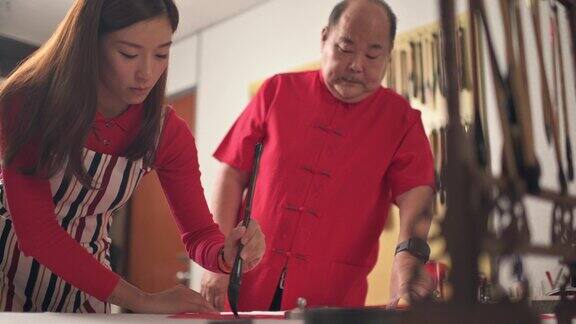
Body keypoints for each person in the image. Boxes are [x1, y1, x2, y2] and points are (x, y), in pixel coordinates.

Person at [0, 0, 265, 314]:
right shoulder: (26, 103)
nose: (147, 72)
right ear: (89, 45)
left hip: (89, 281)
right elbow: (38, 233)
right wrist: (142, 300)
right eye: (128, 54)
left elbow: (199, 234)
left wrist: (226, 254)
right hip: (8, 267)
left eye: (162, 54)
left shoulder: (165, 133)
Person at [201, 0, 435, 312]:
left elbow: (417, 194)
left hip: (332, 294)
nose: (356, 65)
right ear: (324, 37)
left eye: (372, 54)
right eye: (345, 47)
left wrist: (408, 258)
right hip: (247, 280)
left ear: (388, 56)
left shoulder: (402, 120)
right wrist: (216, 258)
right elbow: (232, 173)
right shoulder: (278, 91)